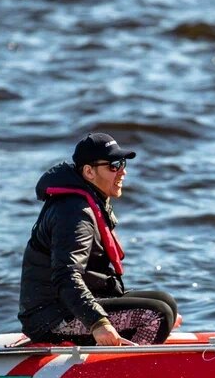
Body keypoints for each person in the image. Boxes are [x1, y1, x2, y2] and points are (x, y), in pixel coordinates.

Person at [18, 132, 178, 346]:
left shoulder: (88, 201)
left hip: (66, 307)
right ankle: (126, 372)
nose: (122, 172)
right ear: (88, 172)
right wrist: (98, 322)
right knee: (156, 315)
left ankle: (123, 352)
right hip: (50, 319)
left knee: (165, 303)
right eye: (113, 166)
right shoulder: (74, 212)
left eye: (122, 164)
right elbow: (67, 276)